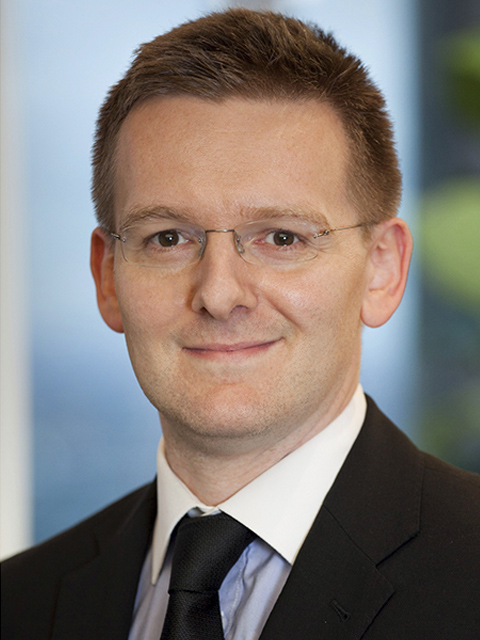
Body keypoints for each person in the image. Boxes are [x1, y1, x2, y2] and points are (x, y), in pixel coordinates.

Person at [2, 8, 479, 640]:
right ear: (107, 276)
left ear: (381, 270)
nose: (220, 294)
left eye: (281, 237)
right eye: (168, 238)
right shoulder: (19, 602)